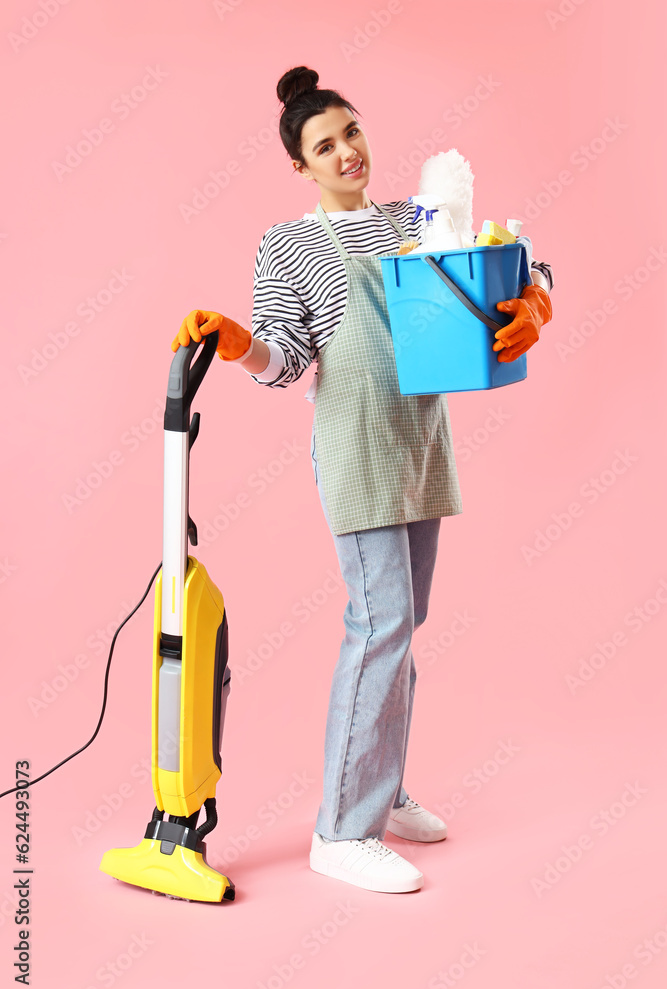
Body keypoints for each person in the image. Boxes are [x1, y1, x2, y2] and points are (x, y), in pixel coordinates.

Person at [172, 65, 553, 894]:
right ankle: (341, 830)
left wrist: (533, 296)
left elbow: (507, 262)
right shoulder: (289, 244)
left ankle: (381, 789)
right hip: (355, 444)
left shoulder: (411, 221)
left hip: (419, 439)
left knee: (403, 623)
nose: (345, 151)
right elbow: (286, 360)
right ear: (299, 167)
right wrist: (242, 343)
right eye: (323, 145)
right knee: (378, 623)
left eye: (350, 132)